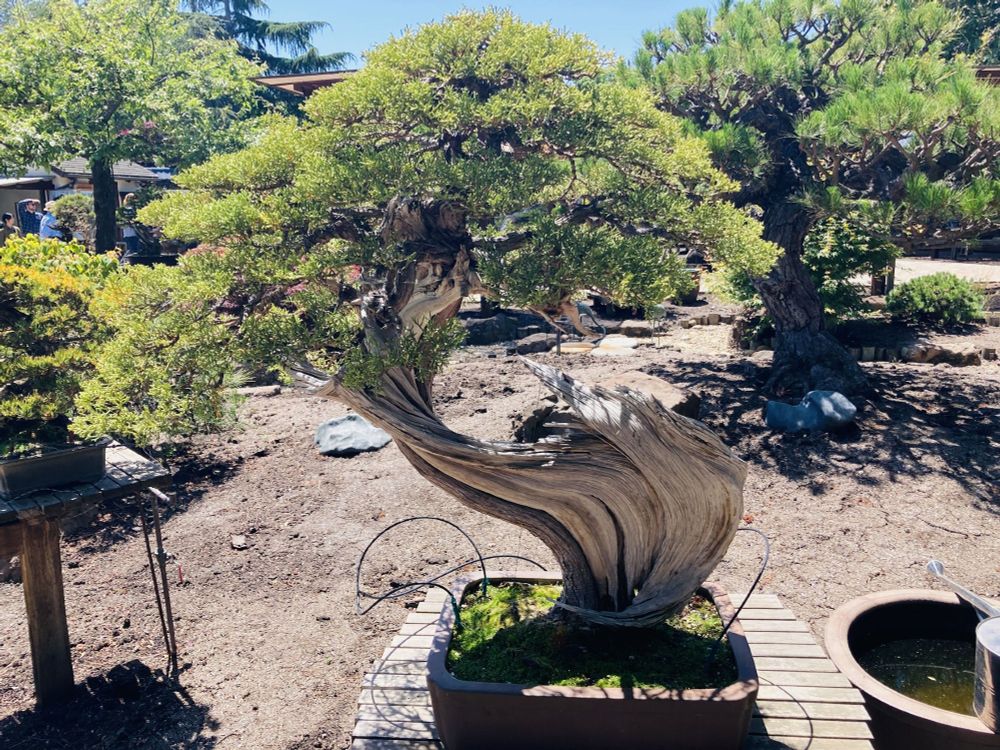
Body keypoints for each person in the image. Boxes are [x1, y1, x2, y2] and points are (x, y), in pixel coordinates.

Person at [120, 193, 140, 258]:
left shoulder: (125, 209)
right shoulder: (130, 209)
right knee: (132, 251)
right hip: (131, 233)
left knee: (131, 250)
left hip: (130, 233)